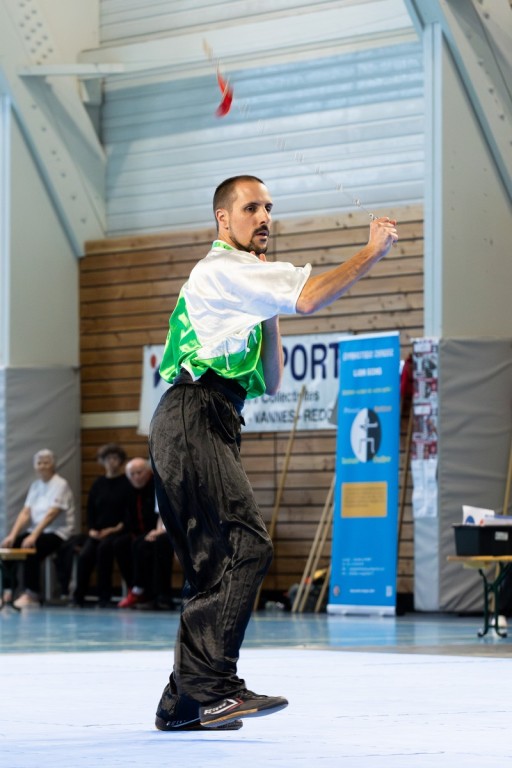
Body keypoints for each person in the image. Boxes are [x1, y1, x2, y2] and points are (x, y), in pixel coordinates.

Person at [149, 174, 398, 731]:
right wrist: (371, 252)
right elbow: (310, 296)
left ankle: (182, 703)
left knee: (212, 563)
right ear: (223, 218)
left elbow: (272, 379)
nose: (264, 217)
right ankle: (215, 689)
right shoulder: (223, 267)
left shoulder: (245, 279)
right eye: (251, 208)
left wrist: (270, 307)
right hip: (194, 412)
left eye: (269, 207)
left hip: (205, 417)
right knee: (247, 546)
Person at [1, 449, 75, 608]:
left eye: (46, 462)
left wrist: (34, 535)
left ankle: (32, 593)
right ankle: (7, 591)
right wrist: (12, 535)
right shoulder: (35, 486)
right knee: (8, 549)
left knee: (30, 549)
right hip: (36, 530)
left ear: (53, 465)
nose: (42, 466)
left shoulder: (60, 484)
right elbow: (25, 512)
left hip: (57, 532)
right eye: (39, 463)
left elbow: (52, 513)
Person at [72, 443, 132, 608]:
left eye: (115, 458)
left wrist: (113, 529)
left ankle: (104, 597)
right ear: (102, 461)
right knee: (85, 555)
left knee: (103, 551)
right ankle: (78, 597)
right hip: (97, 532)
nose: (111, 462)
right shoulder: (98, 484)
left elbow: (129, 512)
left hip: (117, 531)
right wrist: (92, 529)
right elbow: (90, 509)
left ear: (120, 461)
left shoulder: (126, 483)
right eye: (108, 458)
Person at [115, 457, 174, 609]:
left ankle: (158, 595)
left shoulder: (159, 484)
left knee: (151, 544)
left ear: (148, 472)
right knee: (121, 544)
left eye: (139, 472)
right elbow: (159, 514)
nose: (136, 477)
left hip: (171, 531)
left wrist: (158, 531)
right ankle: (137, 589)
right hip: (151, 531)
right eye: (132, 474)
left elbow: (168, 514)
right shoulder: (127, 490)